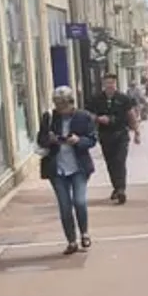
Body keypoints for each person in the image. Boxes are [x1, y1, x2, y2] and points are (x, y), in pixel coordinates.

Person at [37, 86, 99, 254]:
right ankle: (71, 241)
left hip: (78, 167)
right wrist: (50, 140)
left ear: (72, 103)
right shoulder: (49, 117)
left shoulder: (83, 116)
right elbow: (40, 139)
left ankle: (84, 233)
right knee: (65, 206)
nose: (61, 109)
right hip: (57, 168)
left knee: (79, 201)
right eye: (58, 105)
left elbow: (92, 140)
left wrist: (78, 140)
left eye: (64, 105)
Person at [88, 72, 138, 204]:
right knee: (110, 163)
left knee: (120, 160)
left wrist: (137, 132)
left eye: (112, 83)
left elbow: (131, 115)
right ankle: (116, 187)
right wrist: (98, 119)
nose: (110, 86)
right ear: (103, 84)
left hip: (120, 134)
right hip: (105, 135)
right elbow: (89, 115)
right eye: (107, 83)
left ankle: (121, 189)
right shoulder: (96, 99)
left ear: (115, 84)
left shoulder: (123, 98)